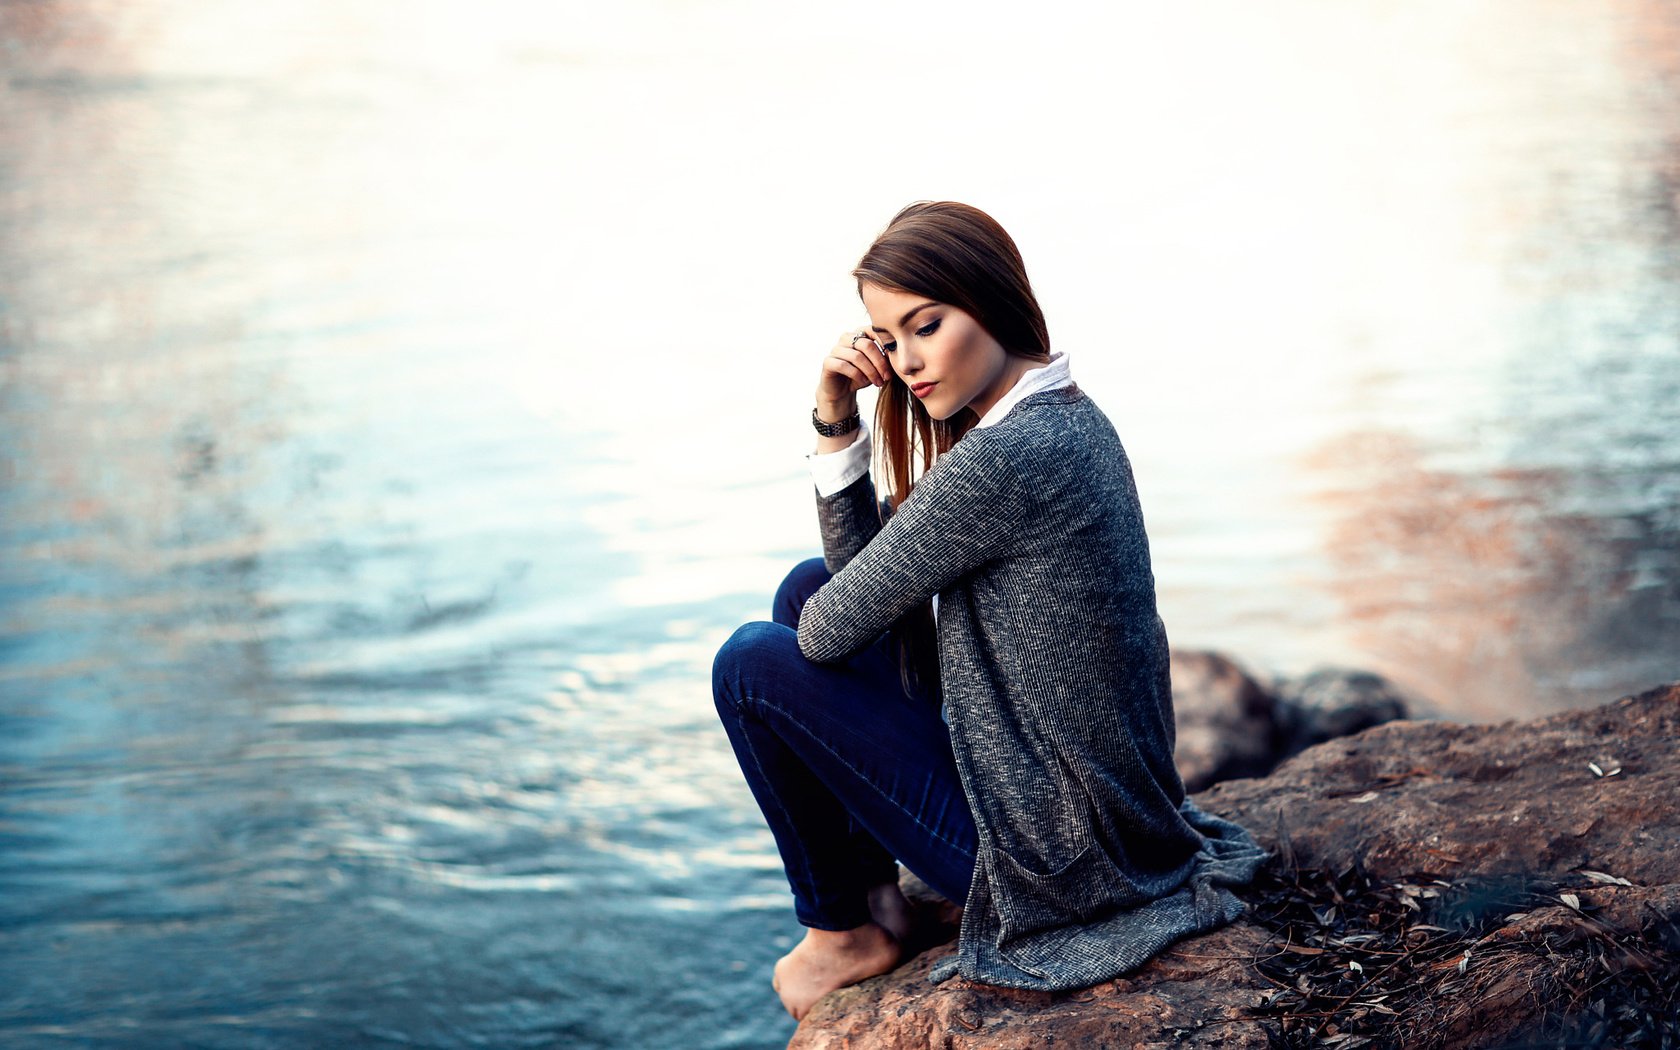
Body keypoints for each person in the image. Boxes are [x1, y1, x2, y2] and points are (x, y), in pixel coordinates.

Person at [711, 201, 1269, 1022]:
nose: (905, 361)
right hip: (1096, 816)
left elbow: (834, 630)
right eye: (889, 339)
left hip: (1060, 861)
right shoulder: (1063, 416)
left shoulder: (1009, 458)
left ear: (991, 300)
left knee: (752, 663)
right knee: (803, 588)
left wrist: (834, 420)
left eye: (926, 326)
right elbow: (849, 593)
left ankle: (842, 931)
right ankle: (881, 903)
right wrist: (838, 412)